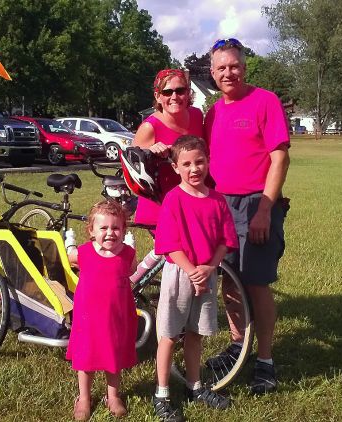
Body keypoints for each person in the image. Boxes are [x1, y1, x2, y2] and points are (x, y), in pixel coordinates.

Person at [203, 38, 291, 395]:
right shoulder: (213, 112)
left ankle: (265, 360)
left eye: (234, 65)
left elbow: (280, 158)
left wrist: (264, 211)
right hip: (222, 206)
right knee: (230, 282)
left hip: (257, 204)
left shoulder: (264, 101)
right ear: (212, 73)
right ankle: (239, 346)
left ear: (245, 66)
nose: (229, 72)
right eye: (221, 67)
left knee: (256, 283)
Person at [152, 136, 239, 422]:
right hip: (180, 274)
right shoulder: (174, 199)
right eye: (186, 164)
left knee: (195, 333)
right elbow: (169, 243)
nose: (194, 169)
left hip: (207, 273)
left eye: (199, 162)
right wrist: (192, 270)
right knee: (169, 335)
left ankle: (195, 386)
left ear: (208, 162)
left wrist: (209, 268)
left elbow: (225, 241)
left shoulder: (217, 200)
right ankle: (162, 394)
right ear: (175, 167)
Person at [65, 200, 138, 420]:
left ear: (124, 230)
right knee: (86, 358)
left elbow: (133, 269)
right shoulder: (84, 253)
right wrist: (69, 243)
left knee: (113, 357)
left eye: (116, 228)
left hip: (116, 317)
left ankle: (112, 396)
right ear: (91, 231)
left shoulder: (127, 254)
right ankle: (84, 397)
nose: (110, 233)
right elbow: (69, 258)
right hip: (88, 318)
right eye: (103, 228)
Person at [133, 68, 204, 226]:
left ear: (188, 93)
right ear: (158, 96)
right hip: (161, 206)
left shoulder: (197, 116)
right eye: (167, 92)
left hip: (192, 200)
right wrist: (149, 153)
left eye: (180, 90)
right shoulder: (149, 128)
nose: (174, 97)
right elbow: (132, 172)